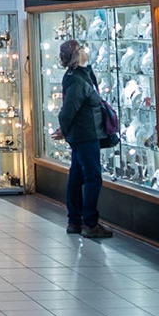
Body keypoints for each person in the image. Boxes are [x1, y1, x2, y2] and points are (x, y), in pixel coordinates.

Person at [56, 39, 113, 240]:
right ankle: (89, 222)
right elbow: (68, 109)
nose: (85, 51)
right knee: (92, 177)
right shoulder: (78, 80)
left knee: (77, 174)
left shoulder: (80, 75)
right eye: (81, 48)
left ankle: (75, 220)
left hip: (85, 133)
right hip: (85, 135)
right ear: (76, 54)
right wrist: (63, 128)